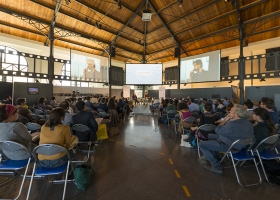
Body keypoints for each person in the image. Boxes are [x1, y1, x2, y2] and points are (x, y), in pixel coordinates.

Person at [199, 104, 253, 174]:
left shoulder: (232, 124)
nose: (229, 112)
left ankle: (216, 166)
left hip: (229, 146)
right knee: (209, 135)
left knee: (201, 144)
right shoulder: (248, 123)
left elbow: (217, 130)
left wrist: (225, 120)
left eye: (231, 111)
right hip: (239, 144)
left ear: (235, 114)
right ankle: (217, 156)